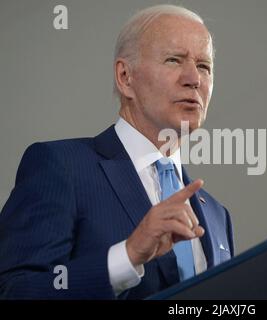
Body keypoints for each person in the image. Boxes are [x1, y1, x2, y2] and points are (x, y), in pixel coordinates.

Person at [0, 4, 234, 299]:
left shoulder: (216, 215)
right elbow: (14, 291)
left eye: (204, 66)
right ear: (125, 77)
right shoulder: (62, 167)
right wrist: (127, 256)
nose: (194, 79)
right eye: (174, 60)